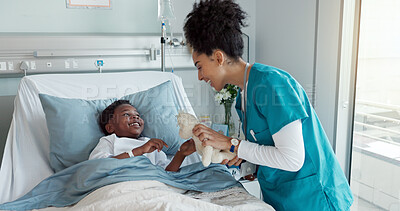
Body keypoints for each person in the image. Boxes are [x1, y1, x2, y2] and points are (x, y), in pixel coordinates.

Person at [183, 0, 353, 210]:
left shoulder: (272, 84)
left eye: (200, 67)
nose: (200, 77)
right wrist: (243, 159)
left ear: (218, 58)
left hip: (314, 199)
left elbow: (292, 159)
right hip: (283, 199)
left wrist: (233, 144)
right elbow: (269, 149)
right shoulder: (243, 96)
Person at [89, 100, 196, 172]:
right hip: (122, 183)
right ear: (110, 128)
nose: (135, 117)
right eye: (126, 114)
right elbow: (97, 166)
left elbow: (167, 174)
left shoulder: (150, 143)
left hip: (151, 184)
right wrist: (139, 151)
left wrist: (180, 154)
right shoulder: (110, 140)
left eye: (137, 115)